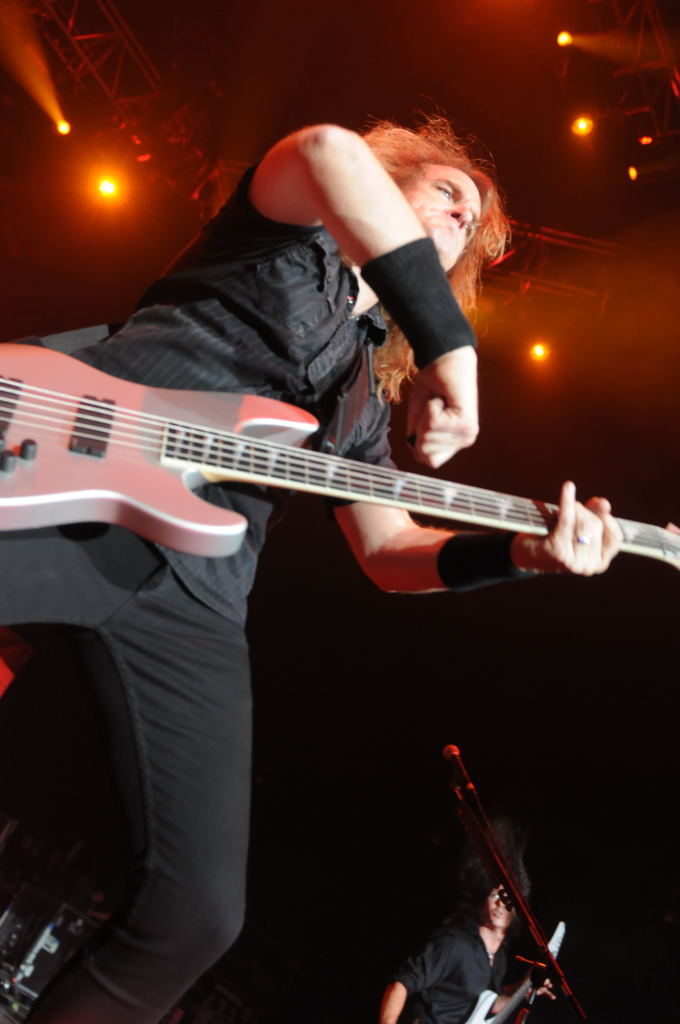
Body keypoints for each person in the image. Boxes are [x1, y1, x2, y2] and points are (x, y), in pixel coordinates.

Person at [0, 117, 622, 1024]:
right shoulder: (278, 232)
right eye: (448, 191)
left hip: (196, 591)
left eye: (472, 225)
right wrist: (453, 350)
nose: (462, 218)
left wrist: (525, 554)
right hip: (58, 470)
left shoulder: (360, 399)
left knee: (194, 919)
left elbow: (388, 552)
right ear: (390, 173)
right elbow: (329, 153)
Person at [379, 823, 555, 1024]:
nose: (500, 903)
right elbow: (402, 983)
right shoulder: (455, 943)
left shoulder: (499, 958)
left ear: (517, 910)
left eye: (508, 899)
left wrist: (526, 986)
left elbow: (490, 1005)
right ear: (484, 902)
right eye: (495, 895)